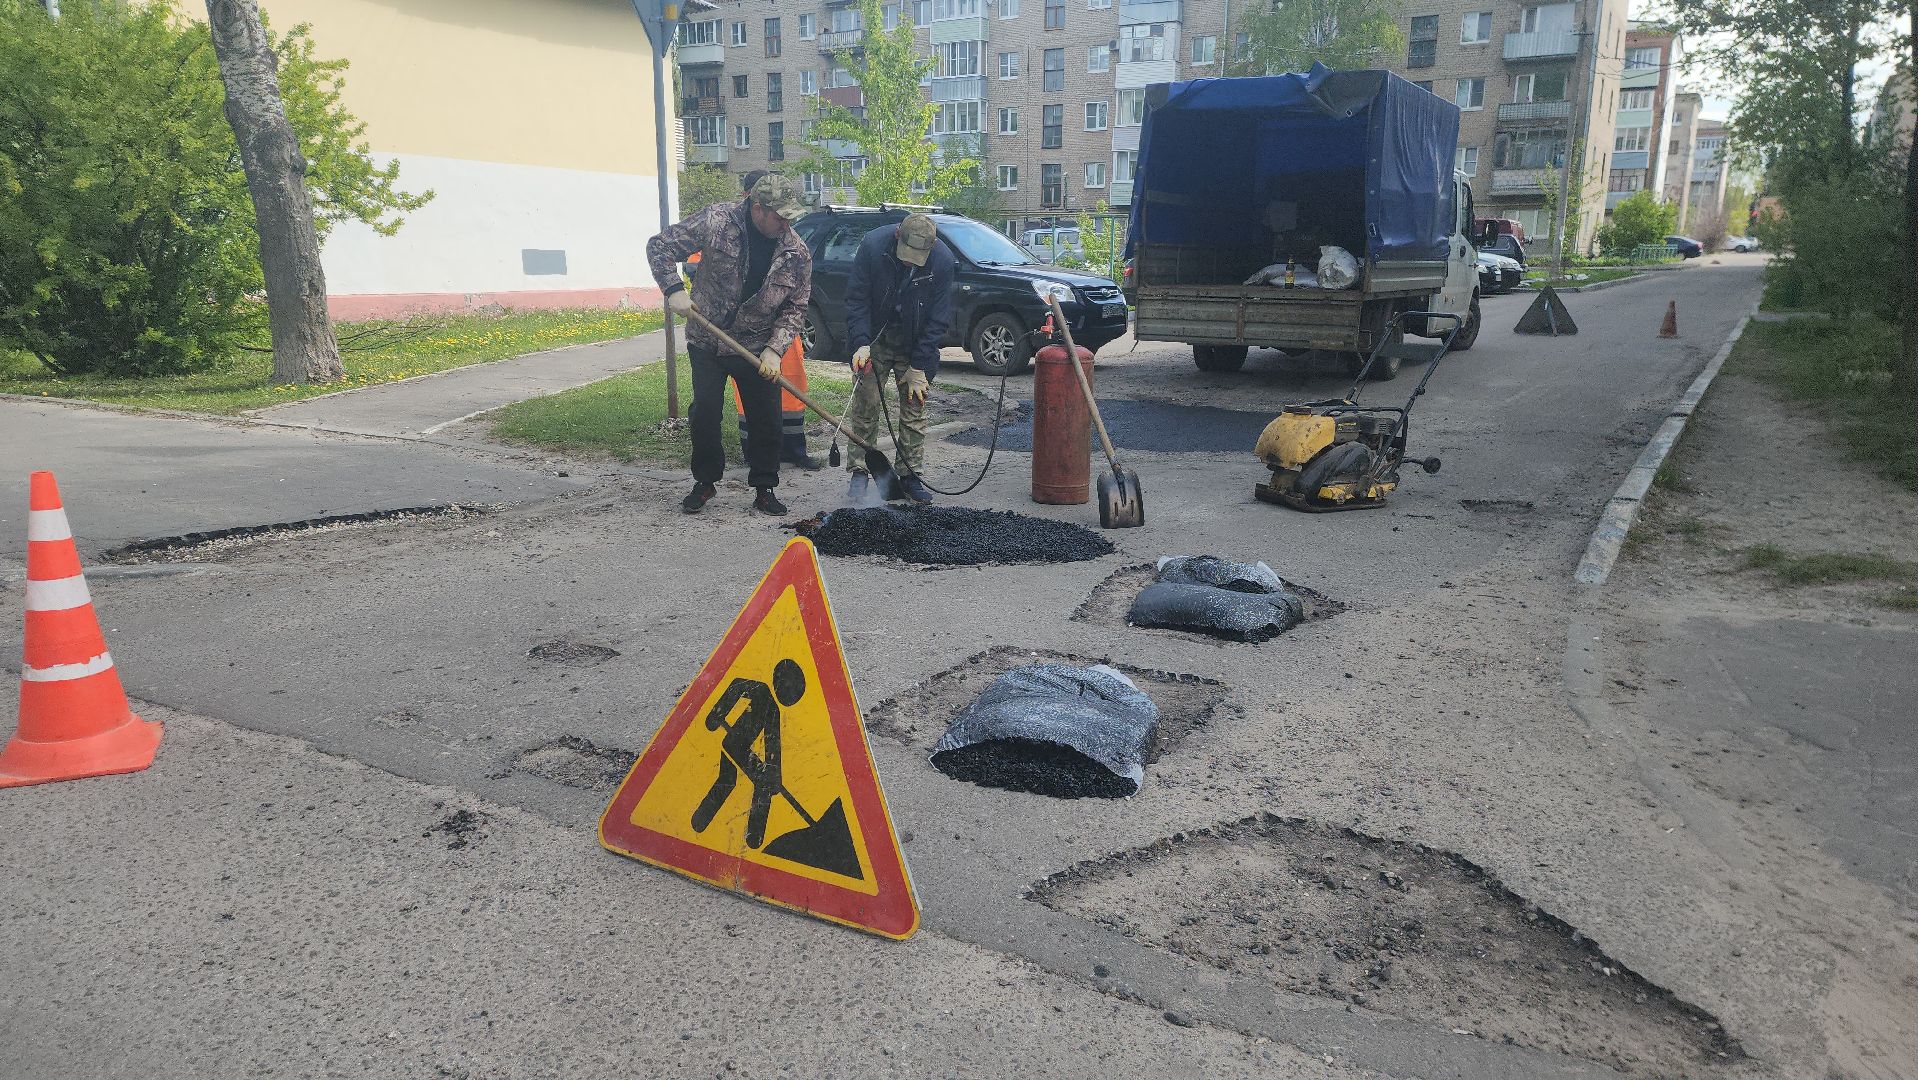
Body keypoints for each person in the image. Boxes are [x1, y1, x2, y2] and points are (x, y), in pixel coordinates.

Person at [647, 173, 812, 515]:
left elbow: (796, 306)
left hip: (755, 345)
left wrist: (775, 348)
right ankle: (705, 482)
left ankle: (765, 487)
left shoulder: (796, 252)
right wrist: (673, 288)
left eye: (789, 216)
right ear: (757, 208)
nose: (786, 223)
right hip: (707, 337)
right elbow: (659, 246)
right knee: (705, 412)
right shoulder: (716, 220)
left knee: (766, 417)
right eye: (779, 216)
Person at [842, 213, 954, 504]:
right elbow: (857, 298)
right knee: (865, 403)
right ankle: (859, 472)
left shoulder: (942, 260)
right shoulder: (872, 246)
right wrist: (860, 343)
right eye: (906, 255)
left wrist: (919, 365)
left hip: (915, 342)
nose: (909, 262)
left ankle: (910, 476)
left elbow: (938, 319)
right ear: (897, 237)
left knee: (915, 406)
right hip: (876, 338)